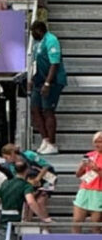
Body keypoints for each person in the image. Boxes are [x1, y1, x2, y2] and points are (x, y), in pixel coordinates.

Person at [30, 19, 67, 155]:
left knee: (47, 111)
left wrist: (47, 83)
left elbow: (54, 63)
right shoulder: (37, 43)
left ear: (39, 30)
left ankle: (52, 143)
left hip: (52, 81)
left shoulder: (51, 40)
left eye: (33, 32)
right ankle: (45, 139)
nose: (32, 35)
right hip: (38, 80)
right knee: (35, 109)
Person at [73, 131, 102, 232]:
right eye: (96, 142)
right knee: (76, 221)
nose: (98, 144)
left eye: (101, 142)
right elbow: (78, 175)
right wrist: (81, 167)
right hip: (85, 189)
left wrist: (96, 169)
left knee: (96, 225)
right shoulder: (89, 155)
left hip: (99, 192)